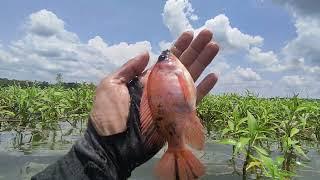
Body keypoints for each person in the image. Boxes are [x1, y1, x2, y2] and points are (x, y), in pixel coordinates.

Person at [31, 29, 220, 180]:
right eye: (163, 57)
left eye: (165, 57)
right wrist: (106, 150)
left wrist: (100, 151)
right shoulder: (173, 71)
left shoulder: (165, 72)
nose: (165, 56)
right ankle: (176, 149)